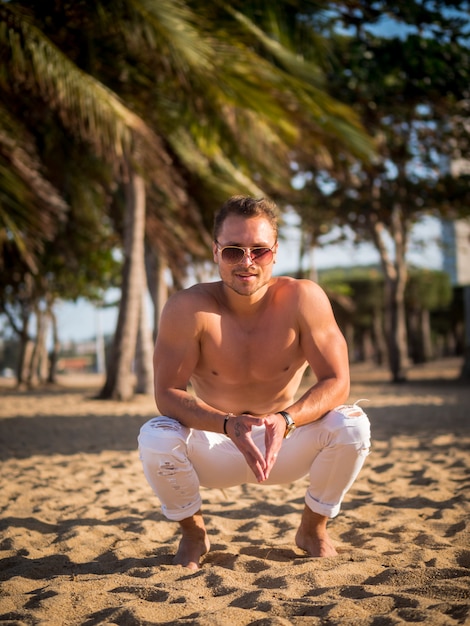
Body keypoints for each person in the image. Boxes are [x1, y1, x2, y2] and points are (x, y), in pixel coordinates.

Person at [138, 195, 371, 570]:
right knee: (155, 435)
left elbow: (337, 380)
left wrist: (286, 419)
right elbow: (167, 394)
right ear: (215, 252)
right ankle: (194, 535)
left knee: (352, 423)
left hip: (284, 441)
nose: (246, 262)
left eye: (259, 251)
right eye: (233, 251)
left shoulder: (303, 298)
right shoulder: (187, 308)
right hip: (216, 444)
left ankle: (313, 529)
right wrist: (228, 424)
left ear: (275, 253)